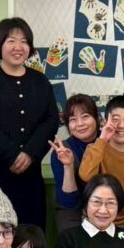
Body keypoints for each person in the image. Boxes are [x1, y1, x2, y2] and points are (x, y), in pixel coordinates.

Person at [0, 17, 59, 229]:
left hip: (29, 175)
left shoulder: (40, 81)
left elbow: (51, 120)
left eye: (24, 41)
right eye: (11, 41)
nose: (18, 47)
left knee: (29, 234)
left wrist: (29, 153)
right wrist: (12, 154)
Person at [78, 95, 124, 232]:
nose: (121, 125)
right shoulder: (95, 149)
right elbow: (86, 176)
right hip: (94, 220)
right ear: (105, 122)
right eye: (115, 119)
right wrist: (102, 139)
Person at [48, 94, 100, 233]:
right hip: (73, 211)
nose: (80, 124)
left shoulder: (109, 142)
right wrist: (68, 166)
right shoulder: (61, 151)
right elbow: (68, 202)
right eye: (73, 119)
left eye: (85, 116)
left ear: (96, 118)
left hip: (105, 207)